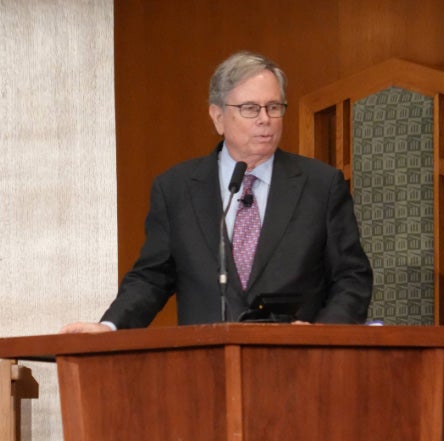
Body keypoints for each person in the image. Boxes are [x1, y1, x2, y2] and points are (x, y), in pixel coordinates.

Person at [61, 50, 372, 331]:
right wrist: (110, 326)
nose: (265, 119)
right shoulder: (177, 189)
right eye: (250, 108)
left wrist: (322, 334)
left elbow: (352, 278)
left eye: (274, 107)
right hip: (205, 365)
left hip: (298, 363)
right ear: (218, 116)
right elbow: (151, 278)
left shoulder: (321, 185)